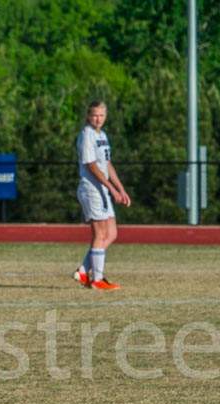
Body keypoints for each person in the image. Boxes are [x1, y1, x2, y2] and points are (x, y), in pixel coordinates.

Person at [73, 100, 130, 291]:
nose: (98, 119)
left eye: (102, 115)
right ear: (88, 116)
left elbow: (107, 164)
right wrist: (111, 189)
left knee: (112, 234)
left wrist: (120, 188)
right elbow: (91, 165)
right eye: (95, 115)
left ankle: (83, 270)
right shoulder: (87, 135)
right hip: (91, 189)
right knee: (100, 234)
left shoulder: (102, 135)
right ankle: (97, 279)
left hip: (103, 190)